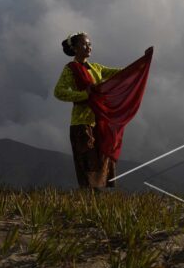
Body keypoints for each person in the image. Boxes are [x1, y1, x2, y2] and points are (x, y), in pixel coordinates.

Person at [54, 32, 152, 189]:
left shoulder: (96, 68)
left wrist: (143, 62)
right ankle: (89, 198)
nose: (89, 47)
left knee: (101, 160)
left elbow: (121, 73)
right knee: (88, 161)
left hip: (99, 121)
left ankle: (97, 198)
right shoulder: (70, 69)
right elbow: (58, 92)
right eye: (84, 44)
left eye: (90, 44)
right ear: (75, 48)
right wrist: (83, 95)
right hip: (81, 123)